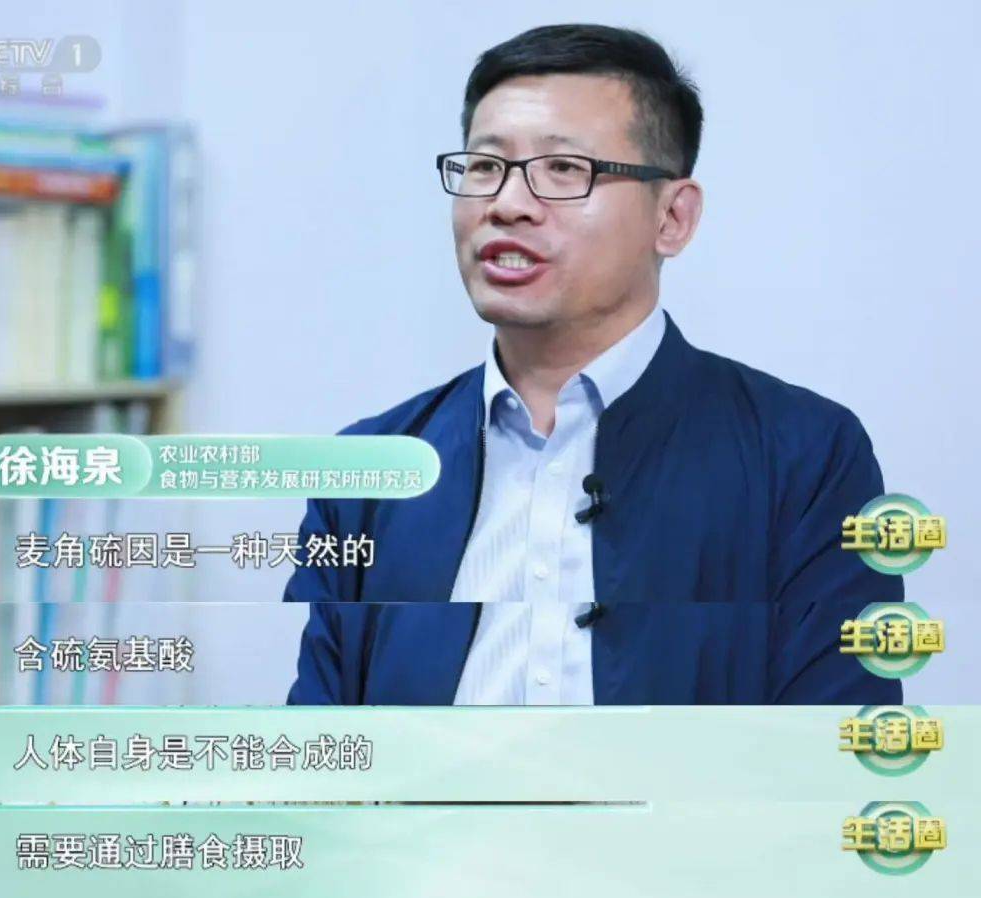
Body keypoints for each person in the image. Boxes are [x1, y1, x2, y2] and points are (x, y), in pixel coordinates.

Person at [283, 24, 902, 705]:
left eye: (563, 169)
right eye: (484, 167)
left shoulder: (803, 454)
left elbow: (832, 740)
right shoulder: (371, 473)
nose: (507, 205)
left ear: (672, 217)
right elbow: (324, 745)